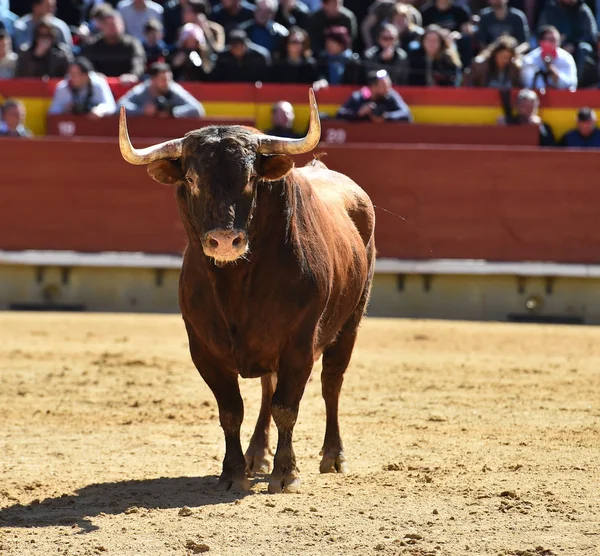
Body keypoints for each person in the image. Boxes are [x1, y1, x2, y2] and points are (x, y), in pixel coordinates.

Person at [117, 62, 206, 118]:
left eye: (169, 79)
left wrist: (172, 112)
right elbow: (119, 107)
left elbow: (198, 109)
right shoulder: (142, 90)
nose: (167, 83)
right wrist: (142, 110)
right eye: (163, 79)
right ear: (153, 80)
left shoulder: (173, 89)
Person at [48, 57, 117, 118]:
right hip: (71, 128)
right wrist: (64, 110)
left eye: (76, 74)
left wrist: (99, 110)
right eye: (71, 74)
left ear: (86, 75)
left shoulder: (98, 84)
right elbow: (52, 113)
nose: (72, 78)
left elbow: (111, 106)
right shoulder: (63, 87)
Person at [336, 68, 413, 122]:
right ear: (373, 87)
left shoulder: (390, 96)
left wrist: (386, 117)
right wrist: (358, 113)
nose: (387, 89)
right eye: (383, 86)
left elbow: (406, 113)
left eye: (388, 85)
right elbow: (340, 114)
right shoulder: (359, 97)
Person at [521, 25, 577, 91]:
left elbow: (571, 85)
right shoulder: (530, 59)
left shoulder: (566, 58)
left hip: (561, 97)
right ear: (540, 42)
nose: (552, 44)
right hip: (537, 97)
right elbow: (528, 84)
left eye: (554, 40)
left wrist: (551, 68)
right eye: (548, 40)